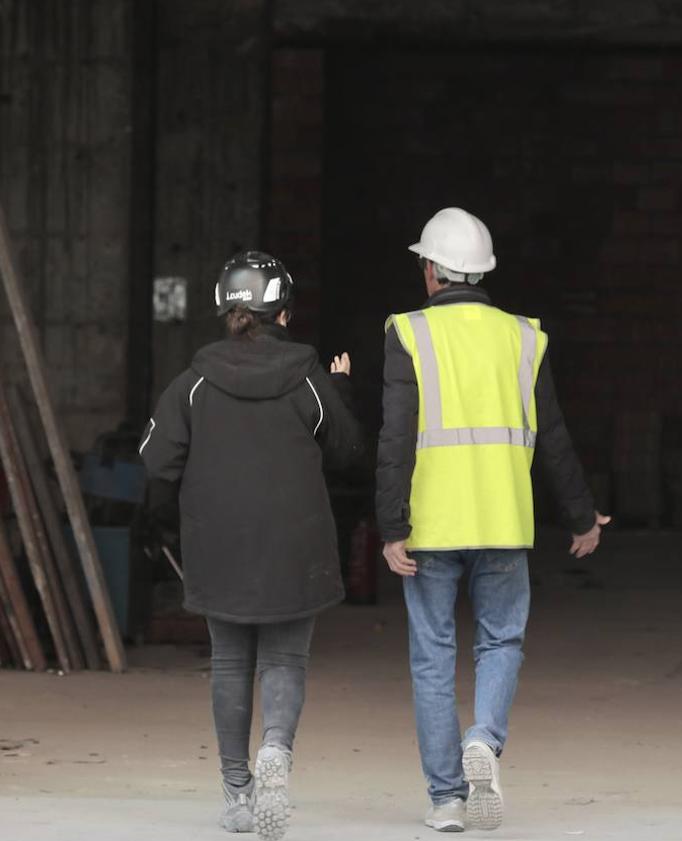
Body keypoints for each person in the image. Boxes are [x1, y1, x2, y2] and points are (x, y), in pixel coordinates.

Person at [375, 208, 610, 833]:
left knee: (432, 655)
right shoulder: (525, 337)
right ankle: (484, 739)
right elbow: (553, 436)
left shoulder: (409, 332)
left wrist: (391, 525)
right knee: (500, 641)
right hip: (505, 519)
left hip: (431, 524)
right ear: (481, 273)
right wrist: (582, 516)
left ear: (430, 270)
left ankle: (448, 799)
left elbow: (395, 438)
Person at [140, 251, 364, 840]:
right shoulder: (310, 380)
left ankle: (238, 791)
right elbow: (346, 450)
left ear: (225, 311)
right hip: (296, 543)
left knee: (231, 664)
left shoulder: (193, 383)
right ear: (284, 315)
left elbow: (157, 462)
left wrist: (174, 514)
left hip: (218, 544)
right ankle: (276, 751)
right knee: (285, 659)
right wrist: (340, 388)